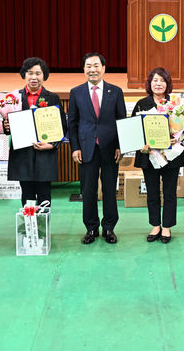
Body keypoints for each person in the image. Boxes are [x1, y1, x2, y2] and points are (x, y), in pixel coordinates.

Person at [67, 52, 126, 244]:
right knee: (88, 190)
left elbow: (121, 121)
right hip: (86, 149)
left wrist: (120, 145)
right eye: (88, 66)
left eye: (96, 65)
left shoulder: (115, 91)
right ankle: (91, 228)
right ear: (83, 69)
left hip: (110, 148)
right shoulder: (76, 92)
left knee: (110, 189)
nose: (92, 69)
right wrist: (75, 147)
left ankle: (109, 228)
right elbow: (72, 123)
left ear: (104, 68)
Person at [131, 68, 184, 243]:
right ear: (149, 83)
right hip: (150, 155)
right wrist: (142, 144)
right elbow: (134, 129)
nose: (158, 83)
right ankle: (155, 225)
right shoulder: (142, 104)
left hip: (170, 155)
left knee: (170, 192)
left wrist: (177, 138)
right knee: (152, 192)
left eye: (162, 80)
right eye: (155, 80)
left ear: (168, 83)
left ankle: (167, 227)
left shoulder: (176, 103)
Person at [3, 57, 67, 206]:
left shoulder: (52, 98)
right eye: (30, 73)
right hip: (22, 154)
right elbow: (7, 125)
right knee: (27, 195)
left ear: (44, 76)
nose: (34, 77)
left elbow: (63, 126)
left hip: (44, 154)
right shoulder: (13, 98)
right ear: (24, 75)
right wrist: (6, 126)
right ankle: (29, 227)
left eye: (38, 73)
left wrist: (52, 144)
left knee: (45, 195)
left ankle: (43, 229)